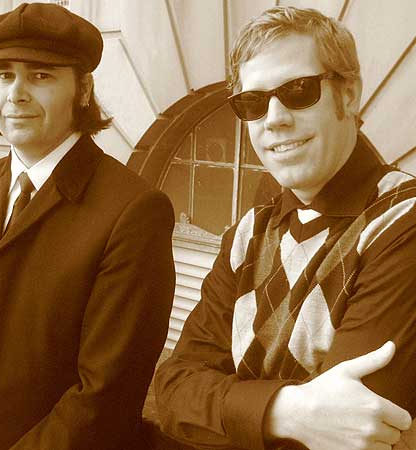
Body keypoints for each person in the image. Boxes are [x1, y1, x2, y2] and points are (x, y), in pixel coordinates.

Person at [0, 3, 176, 450]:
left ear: (83, 90)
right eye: (3, 75)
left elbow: (106, 393)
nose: (16, 93)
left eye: (41, 75)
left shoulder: (133, 211)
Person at [154, 6, 416, 450]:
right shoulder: (248, 233)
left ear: (349, 95)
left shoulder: (401, 222)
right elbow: (174, 390)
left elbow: (354, 431)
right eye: (252, 103)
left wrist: (230, 409)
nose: (273, 118)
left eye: (298, 91)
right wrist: (287, 412)